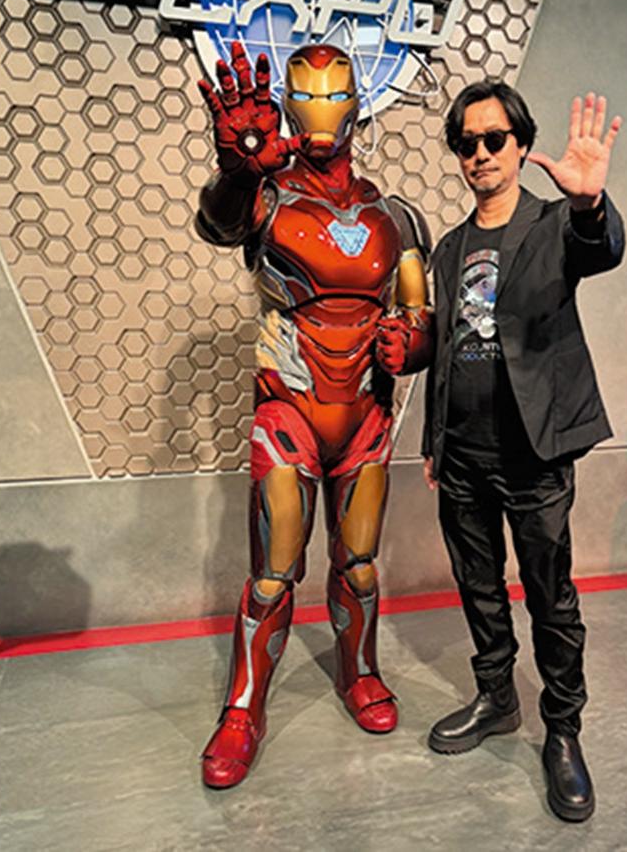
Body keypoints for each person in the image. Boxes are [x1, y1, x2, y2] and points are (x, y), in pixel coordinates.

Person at [195, 42, 432, 789]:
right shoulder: (265, 197)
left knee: (358, 564)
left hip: (365, 417)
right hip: (289, 412)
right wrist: (239, 170)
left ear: (358, 103)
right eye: (307, 94)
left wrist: (411, 343)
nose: (321, 110)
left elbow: (420, 314)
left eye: (333, 94)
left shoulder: (396, 216)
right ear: (290, 105)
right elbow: (218, 224)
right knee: (273, 574)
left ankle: (359, 672)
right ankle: (243, 710)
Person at [421, 80, 624, 822]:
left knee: (550, 598)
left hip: (533, 453)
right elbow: (445, 352)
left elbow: (601, 249)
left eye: (494, 139)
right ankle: (497, 698)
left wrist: (590, 203)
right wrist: (434, 441)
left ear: (520, 144)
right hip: (463, 454)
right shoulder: (450, 249)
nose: (480, 153)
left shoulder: (555, 224)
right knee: (478, 587)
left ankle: (563, 732)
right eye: (466, 143)